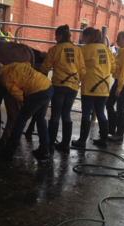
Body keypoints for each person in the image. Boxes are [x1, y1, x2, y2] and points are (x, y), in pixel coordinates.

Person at [0, 62, 54, 160]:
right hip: (47, 86)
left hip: (38, 92)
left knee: (19, 121)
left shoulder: (5, 79)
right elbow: (27, 64)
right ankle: (44, 151)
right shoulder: (12, 65)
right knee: (40, 119)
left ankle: (8, 151)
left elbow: (19, 96)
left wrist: (24, 100)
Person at [40, 25, 86, 154]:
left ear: (60, 36)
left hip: (59, 86)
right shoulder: (77, 50)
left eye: (56, 36)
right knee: (66, 114)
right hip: (73, 87)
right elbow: (82, 70)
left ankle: (50, 145)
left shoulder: (55, 49)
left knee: (55, 114)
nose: (55, 38)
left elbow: (45, 68)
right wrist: (76, 82)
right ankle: (66, 144)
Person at [71, 28, 116, 148]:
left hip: (90, 86)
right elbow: (113, 68)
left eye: (84, 37)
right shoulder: (107, 50)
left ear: (89, 37)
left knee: (86, 112)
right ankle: (104, 140)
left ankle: (82, 140)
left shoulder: (85, 49)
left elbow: (76, 65)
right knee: (101, 112)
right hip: (105, 86)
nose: (83, 39)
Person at [106, 29, 124, 142]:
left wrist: (119, 88)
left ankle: (119, 134)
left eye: (119, 38)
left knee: (120, 107)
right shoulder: (122, 51)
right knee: (109, 104)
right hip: (119, 81)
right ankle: (112, 129)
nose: (117, 40)